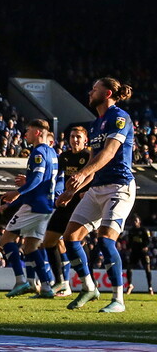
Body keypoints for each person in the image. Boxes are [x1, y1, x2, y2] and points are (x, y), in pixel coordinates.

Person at [56, 77, 137, 313]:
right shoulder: (95, 123)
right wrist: (72, 191)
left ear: (108, 93)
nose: (90, 92)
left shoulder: (119, 117)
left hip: (119, 187)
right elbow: (94, 161)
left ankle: (118, 299)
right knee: (70, 237)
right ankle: (89, 286)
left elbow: (110, 153)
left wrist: (81, 175)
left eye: (95, 89)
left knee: (105, 239)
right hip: (96, 188)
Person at [0, 119, 60, 298]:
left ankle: (20, 281)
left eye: (29, 130)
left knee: (6, 239)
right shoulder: (52, 153)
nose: (26, 134)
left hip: (34, 205)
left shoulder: (38, 152)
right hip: (47, 206)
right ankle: (47, 287)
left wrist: (17, 193)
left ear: (38, 132)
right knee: (30, 247)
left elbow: (38, 178)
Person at [41, 126, 92, 297]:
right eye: (72, 137)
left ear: (86, 140)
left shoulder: (89, 156)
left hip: (83, 206)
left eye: (78, 137)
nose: (74, 140)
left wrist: (84, 192)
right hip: (66, 204)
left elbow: (95, 177)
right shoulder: (64, 157)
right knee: (49, 241)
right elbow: (55, 177)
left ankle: (88, 282)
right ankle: (61, 282)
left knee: (74, 242)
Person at [123, 214, 153, 295]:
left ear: (139, 221)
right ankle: (129, 285)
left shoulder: (144, 230)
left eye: (136, 221)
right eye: (133, 221)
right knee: (129, 268)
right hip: (134, 252)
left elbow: (149, 240)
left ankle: (150, 287)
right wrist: (128, 246)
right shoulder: (131, 231)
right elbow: (129, 241)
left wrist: (146, 246)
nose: (134, 223)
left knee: (147, 269)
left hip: (143, 252)